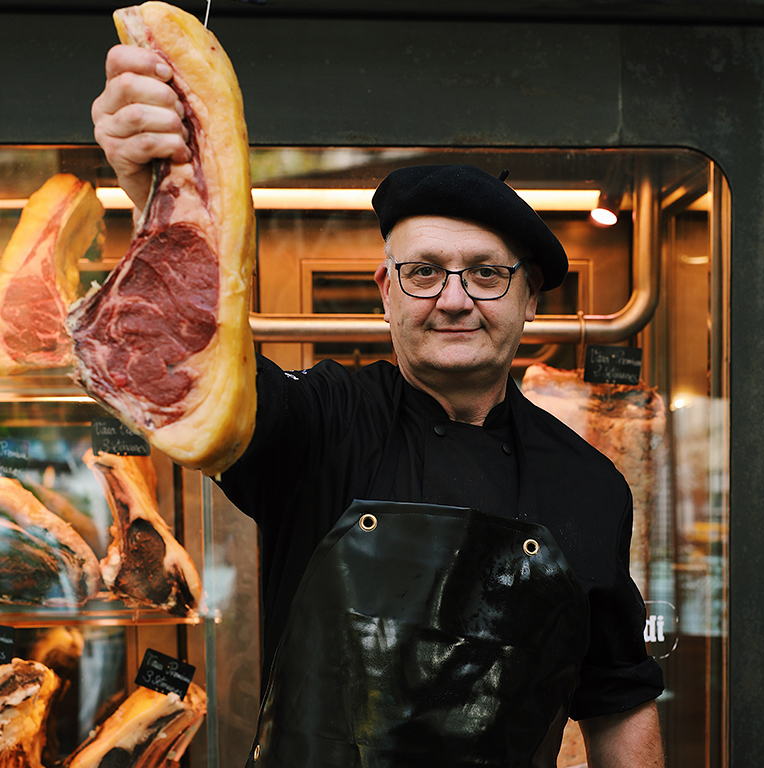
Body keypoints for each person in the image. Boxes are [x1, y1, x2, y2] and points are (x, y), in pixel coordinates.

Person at [92, 44, 665, 768]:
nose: (453, 299)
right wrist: (156, 193)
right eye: (423, 272)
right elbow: (188, 366)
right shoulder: (323, 419)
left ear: (528, 298)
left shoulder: (589, 485)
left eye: (486, 274)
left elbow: (618, 701)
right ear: (384, 289)